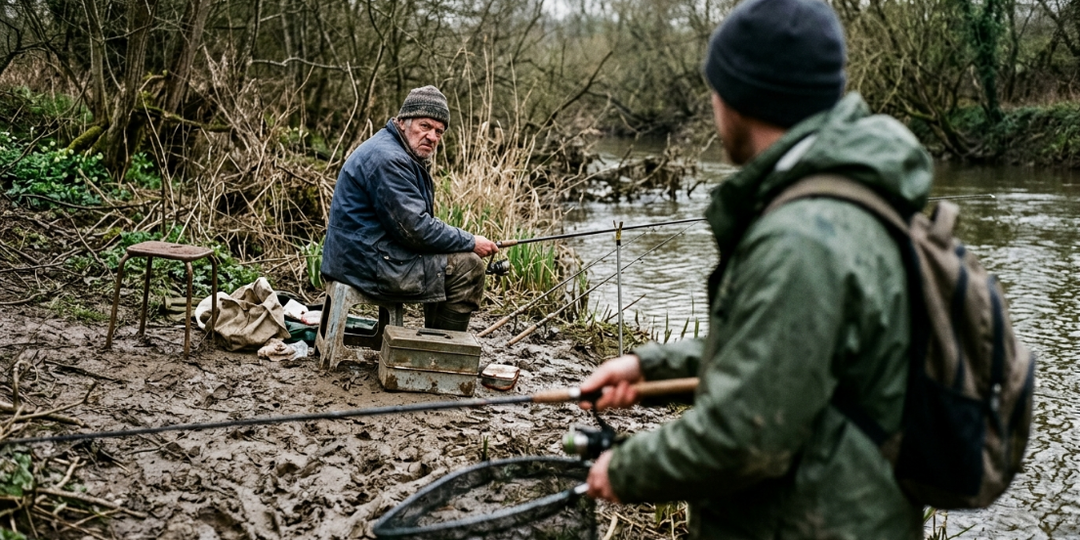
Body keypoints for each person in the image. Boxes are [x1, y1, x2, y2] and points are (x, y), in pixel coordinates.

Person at [578, 0, 932, 537]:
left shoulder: (802, 238)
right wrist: (650, 367)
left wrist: (624, 469)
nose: (715, 104)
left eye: (717, 89)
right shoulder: (851, 197)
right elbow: (791, 350)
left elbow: (744, 437)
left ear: (742, 100)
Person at [321, 85, 499, 332]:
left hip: (361, 254)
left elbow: (413, 227)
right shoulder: (389, 159)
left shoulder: (396, 150)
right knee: (468, 267)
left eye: (439, 131)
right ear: (403, 121)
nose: (432, 137)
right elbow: (415, 229)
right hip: (364, 262)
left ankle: (430, 345)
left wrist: (458, 242)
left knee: (448, 259)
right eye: (424, 126)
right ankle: (441, 354)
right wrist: (470, 241)